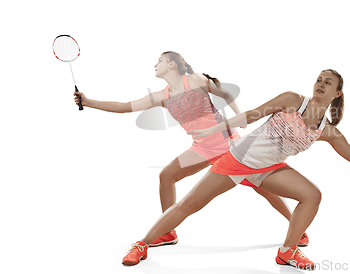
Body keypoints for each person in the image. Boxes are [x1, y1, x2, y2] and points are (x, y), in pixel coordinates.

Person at [121, 68, 350, 270]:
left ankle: (287, 251)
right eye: (319, 78)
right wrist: (223, 127)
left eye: (328, 82)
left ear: (337, 93)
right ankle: (143, 243)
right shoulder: (292, 100)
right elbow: (252, 114)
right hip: (239, 159)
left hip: (270, 168)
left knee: (312, 195)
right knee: (190, 204)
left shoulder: (328, 131)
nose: (321, 83)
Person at [74, 51, 309, 248]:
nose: (155, 65)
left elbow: (225, 93)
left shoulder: (194, 80)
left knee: (262, 187)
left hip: (229, 146)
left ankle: (297, 229)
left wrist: (239, 117)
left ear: (172, 63)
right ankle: (167, 232)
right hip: (202, 148)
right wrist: (88, 101)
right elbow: (125, 107)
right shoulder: (162, 96)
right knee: (167, 176)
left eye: (160, 61)